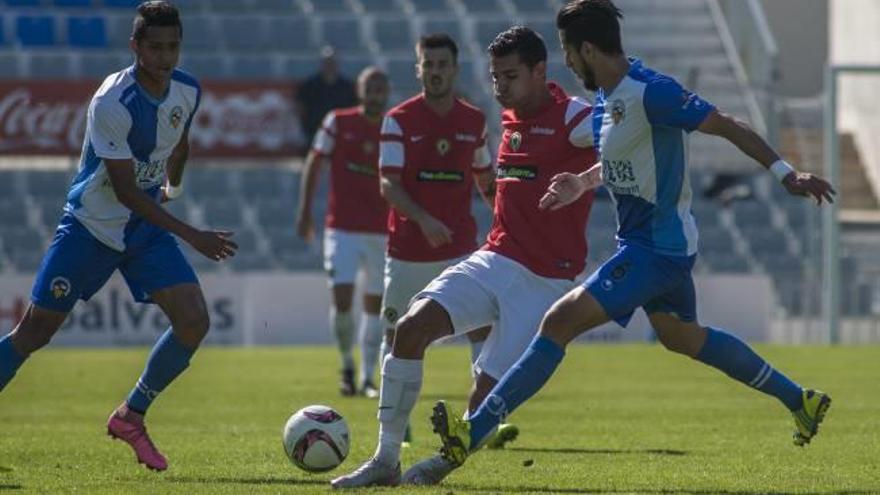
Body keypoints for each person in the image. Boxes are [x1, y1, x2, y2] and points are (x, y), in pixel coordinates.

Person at [428, 0, 837, 471]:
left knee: (558, 323)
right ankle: (800, 401)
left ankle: (471, 432)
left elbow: (727, 124)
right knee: (683, 337)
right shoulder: (607, 98)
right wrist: (582, 182)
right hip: (657, 245)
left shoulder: (651, 91)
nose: (567, 62)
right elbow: (625, 158)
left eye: (567, 51)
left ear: (586, 49)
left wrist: (786, 173)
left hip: (656, 248)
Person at [332, 26, 598, 488]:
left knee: (484, 396)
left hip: (545, 283)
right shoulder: (509, 117)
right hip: (494, 257)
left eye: (510, 76)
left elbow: (621, 145)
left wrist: (585, 181)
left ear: (540, 72)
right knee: (410, 329)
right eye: (495, 77)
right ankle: (384, 459)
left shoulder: (572, 115)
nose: (500, 87)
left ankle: (440, 465)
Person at [0, 1, 237, 472]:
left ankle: (131, 415)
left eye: (172, 47)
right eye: (155, 47)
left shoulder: (187, 89)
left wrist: (175, 187)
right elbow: (126, 192)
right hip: (90, 228)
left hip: (144, 229)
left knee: (193, 320)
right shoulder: (112, 102)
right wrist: (193, 234)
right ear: (135, 47)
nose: (165, 57)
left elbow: (180, 142)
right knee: (36, 331)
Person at [296, 67, 391, 398]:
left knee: (374, 304)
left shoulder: (394, 127)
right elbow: (314, 161)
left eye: (381, 88)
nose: (376, 93)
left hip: (382, 231)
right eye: (370, 87)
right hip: (342, 229)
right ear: (360, 91)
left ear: (387, 92)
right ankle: (347, 365)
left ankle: (367, 376)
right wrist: (305, 211)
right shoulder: (338, 120)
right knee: (342, 299)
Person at [296, 46, 358, 146]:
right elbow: (300, 107)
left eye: (332, 62)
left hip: (341, 136)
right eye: (327, 62)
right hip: (314, 134)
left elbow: (354, 108)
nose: (330, 65)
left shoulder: (347, 87)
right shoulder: (309, 85)